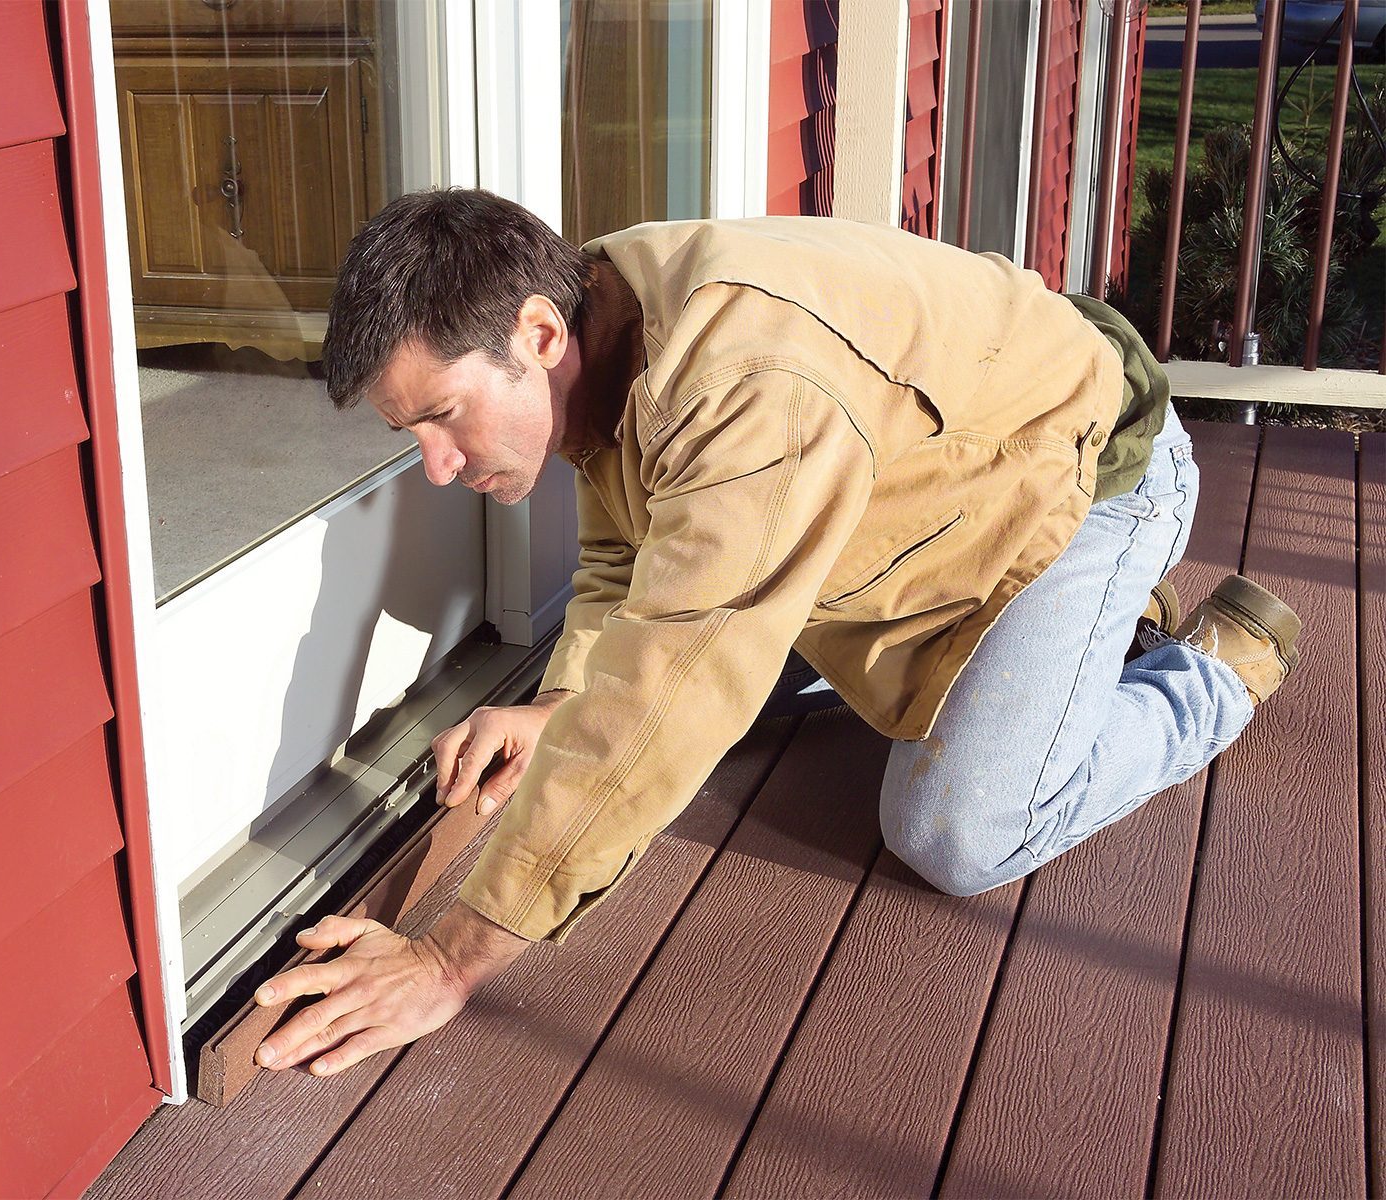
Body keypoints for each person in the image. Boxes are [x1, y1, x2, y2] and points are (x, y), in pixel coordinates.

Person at [247, 187, 1302, 1080]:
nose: (436, 466)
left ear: (535, 334)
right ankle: (1084, 646)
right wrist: (558, 703)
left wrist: (446, 960)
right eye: (410, 434)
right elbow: (628, 556)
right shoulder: (602, 317)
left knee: (958, 832)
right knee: (723, 665)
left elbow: (670, 696)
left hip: (1077, 484)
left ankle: (1208, 670)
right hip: (927, 502)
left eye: (442, 416)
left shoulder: (739, 387)